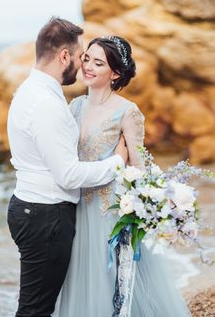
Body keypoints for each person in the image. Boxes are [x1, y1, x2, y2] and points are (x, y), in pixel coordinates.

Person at [55, 36, 191, 316]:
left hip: (110, 214)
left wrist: (147, 206)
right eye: (87, 59)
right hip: (76, 207)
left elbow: (138, 167)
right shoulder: (75, 107)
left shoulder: (127, 112)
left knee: (114, 285)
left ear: (115, 73)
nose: (88, 67)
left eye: (98, 63)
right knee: (77, 278)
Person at [7, 18, 128, 317]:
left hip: (31, 208)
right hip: (45, 215)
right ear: (64, 56)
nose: (81, 65)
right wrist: (117, 163)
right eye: (79, 57)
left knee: (37, 306)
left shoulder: (31, 89)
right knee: (36, 310)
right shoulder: (46, 103)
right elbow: (69, 174)